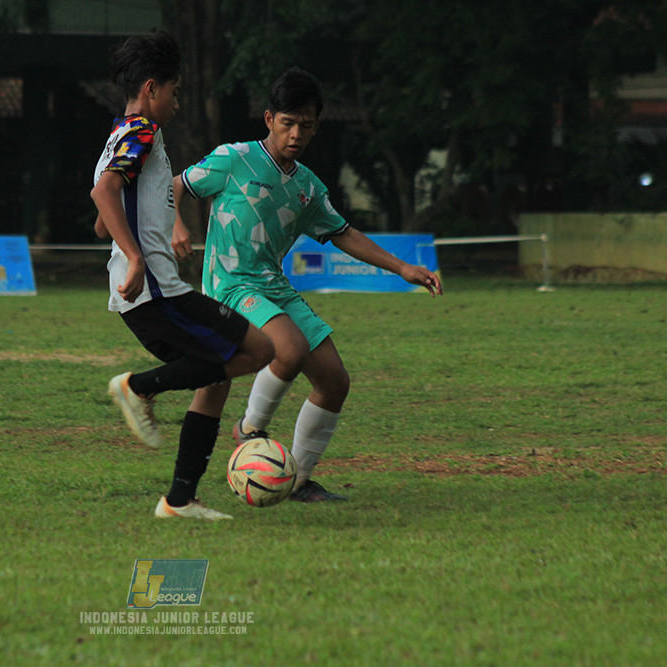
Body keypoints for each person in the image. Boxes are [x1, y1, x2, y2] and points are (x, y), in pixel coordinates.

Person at [173, 67, 443, 503]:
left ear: (316, 126)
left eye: (306, 124)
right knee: (290, 349)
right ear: (269, 119)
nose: (296, 133)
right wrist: (176, 225)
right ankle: (249, 429)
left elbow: (343, 233)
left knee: (334, 381)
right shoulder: (234, 159)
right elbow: (176, 186)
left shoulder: (307, 187)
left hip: (272, 286)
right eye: (287, 123)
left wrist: (402, 268)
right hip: (230, 284)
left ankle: (296, 481)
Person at [90, 30, 274, 521]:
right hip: (156, 293)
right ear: (152, 89)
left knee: (217, 377)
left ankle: (179, 501)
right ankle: (138, 386)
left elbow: (103, 210)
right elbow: (103, 196)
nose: (177, 101)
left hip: (150, 295)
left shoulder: (124, 132)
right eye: (174, 91)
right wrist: (134, 256)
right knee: (260, 350)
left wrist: (142, 224)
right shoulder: (142, 131)